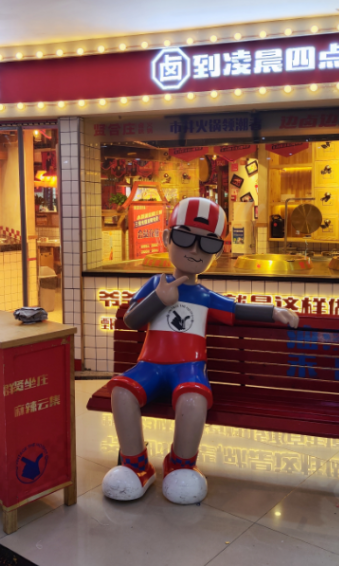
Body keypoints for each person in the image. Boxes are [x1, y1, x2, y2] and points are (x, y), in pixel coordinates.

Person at [101, 198, 300, 505]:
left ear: (216, 252)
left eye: (208, 243)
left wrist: (272, 311)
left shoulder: (205, 296)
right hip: (149, 367)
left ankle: (180, 464)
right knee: (122, 391)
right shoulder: (156, 284)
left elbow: (236, 309)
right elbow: (131, 320)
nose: (194, 250)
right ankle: (136, 465)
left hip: (189, 369)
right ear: (167, 238)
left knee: (194, 400)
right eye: (184, 237)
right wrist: (158, 299)